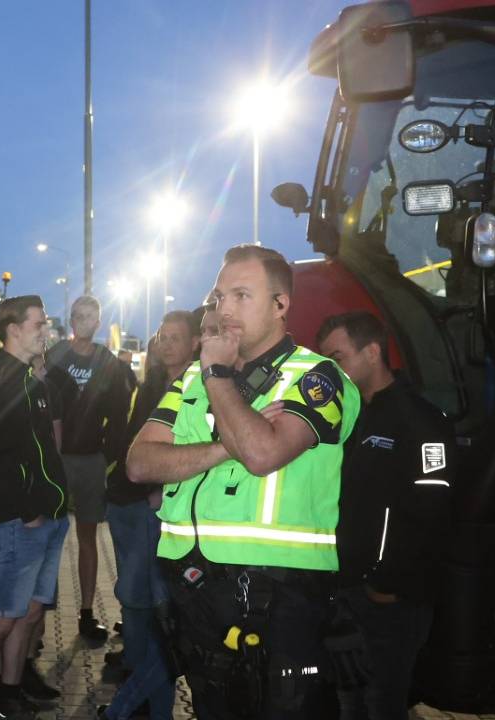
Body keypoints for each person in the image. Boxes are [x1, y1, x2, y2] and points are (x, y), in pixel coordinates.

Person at [129, 244, 360, 720]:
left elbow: (262, 455)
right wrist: (221, 446)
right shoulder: (190, 378)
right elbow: (139, 463)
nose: (223, 310)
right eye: (217, 298)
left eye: (241, 295)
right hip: (196, 591)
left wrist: (218, 376)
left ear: (281, 305)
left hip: (280, 596)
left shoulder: (317, 377)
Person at [317, 311, 453, 720]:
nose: (330, 370)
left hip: (392, 601)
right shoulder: (349, 417)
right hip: (346, 595)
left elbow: (432, 513)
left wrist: (387, 583)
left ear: (372, 352)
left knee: (382, 704)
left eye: (337, 357)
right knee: (347, 703)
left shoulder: (421, 421)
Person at [0, 295, 72, 720]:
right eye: (39, 324)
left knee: (27, 617)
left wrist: (56, 505)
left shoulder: (33, 382)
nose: (46, 330)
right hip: (19, 524)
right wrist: (25, 509)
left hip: (49, 519)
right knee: (0, 622)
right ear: (13, 329)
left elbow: (45, 451)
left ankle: (9, 695)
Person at [99, 310, 199, 720]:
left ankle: (145, 704)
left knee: (157, 608)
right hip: (126, 500)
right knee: (133, 600)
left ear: (194, 343)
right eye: (163, 336)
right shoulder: (151, 383)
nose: (166, 343)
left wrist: (158, 490)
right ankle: (138, 687)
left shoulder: (200, 385)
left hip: (158, 509)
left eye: (177, 336)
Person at [46, 295, 131, 642]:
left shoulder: (107, 362)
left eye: (89, 317)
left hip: (91, 460)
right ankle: (37, 617)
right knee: (48, 536)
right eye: (78, 316)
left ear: (98, 323)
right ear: (71, 320)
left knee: (88, 538)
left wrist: (108, 453)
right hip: (56, 459)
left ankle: (85, 612)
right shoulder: (53, 358)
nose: (83, 322)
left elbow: (120, 412)